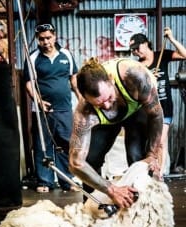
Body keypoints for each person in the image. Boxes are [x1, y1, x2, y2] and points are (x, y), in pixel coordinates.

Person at [69, 57, 163, 209]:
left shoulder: (134, 76)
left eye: (108, 98)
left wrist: (152, 155)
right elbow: (76, 163)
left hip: (136, 110)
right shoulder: (85, 111)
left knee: (137, 159)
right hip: (109, 122)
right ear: (86, 99)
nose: (106, 105)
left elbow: (156, 115)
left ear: (111, 80)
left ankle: (143, 210)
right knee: (91, 160)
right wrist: (111, 189)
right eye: (98, 104)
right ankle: (92, 208)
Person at [24, 23, 80, 193]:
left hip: (64, 109)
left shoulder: (66, 55)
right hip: (43, 111)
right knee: (43, 145)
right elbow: (29, 83)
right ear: (37, 40)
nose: (46, 42)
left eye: (48, 38)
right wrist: (39, 101)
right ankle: (45, 181)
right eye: (42, 39)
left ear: (55, 36)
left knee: (65, 144)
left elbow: (73, 79)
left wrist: (81, 98)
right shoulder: (33, 57)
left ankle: (66, 180)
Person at [129, 27, 186, 177]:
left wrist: (172, 38)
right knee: (149, 143)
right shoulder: (137, 66)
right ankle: (151, 172)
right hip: (147, 110)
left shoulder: (162, 55)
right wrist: (148, 78)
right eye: (132, 50)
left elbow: (184, 54)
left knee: (160, 142)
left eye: (137, 48)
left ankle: (159, 175)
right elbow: (135, 92)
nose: (135, 52)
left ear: (146, 43)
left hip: (165, 107)